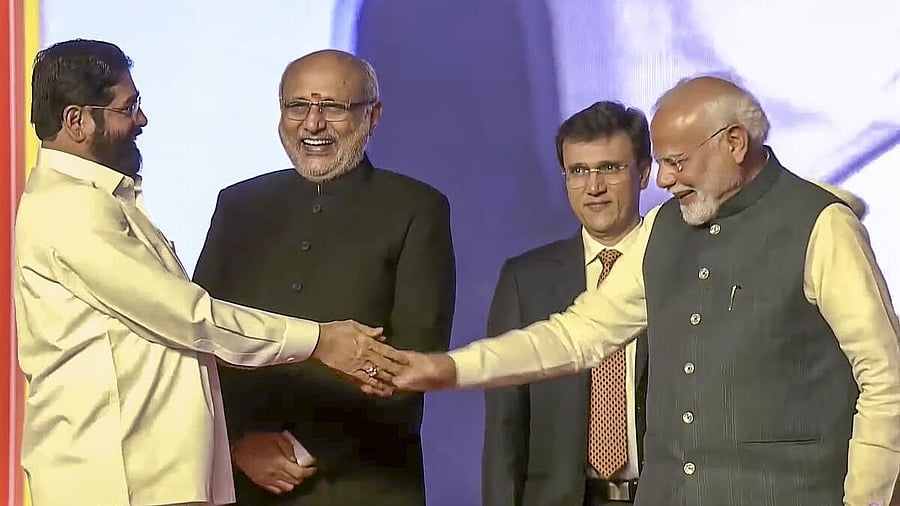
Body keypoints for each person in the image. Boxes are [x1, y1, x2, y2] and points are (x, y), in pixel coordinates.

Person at [392, 76, 900, 506]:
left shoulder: (823, 224)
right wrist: (449, 368)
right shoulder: (663, 228)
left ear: (735, 144)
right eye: (659, 162)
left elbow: (886, 379)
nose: (664, 178)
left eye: (677, 161)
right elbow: (578, 335)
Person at [15, 39, 406, 506]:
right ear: (77, 121)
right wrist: (320, 341)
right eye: (128, 107)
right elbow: (191, 318)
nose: (141, 120)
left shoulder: (104, 198)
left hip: (147, 478)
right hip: (113, 482)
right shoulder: (70, 209)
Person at [192, 49, 455, 506]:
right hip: (241, 482)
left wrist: (298, 451)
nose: (313, 124)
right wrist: (237, 445)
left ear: (372, 116)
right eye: (298, 107)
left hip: (362, 484)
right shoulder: (239, 205)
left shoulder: (416, 208)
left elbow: (413, 364)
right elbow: (201, 338)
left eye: (332, 107)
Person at [482, 101, 649, 506]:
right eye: (578, 171)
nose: (593, 187)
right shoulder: (526, 280)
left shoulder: (682, 269)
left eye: (610, 168)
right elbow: (506, 424)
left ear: (643, 173)